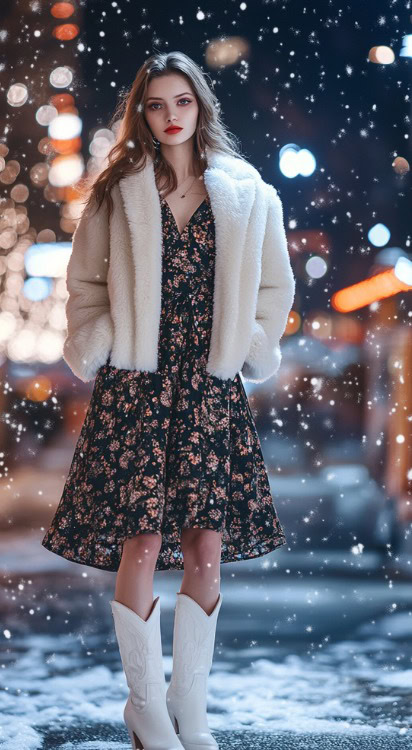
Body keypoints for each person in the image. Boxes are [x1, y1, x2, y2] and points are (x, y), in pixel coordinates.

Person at [42, 51, 296, 750]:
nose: (170, 116)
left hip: (210, 389)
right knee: (143, 540)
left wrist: (247, 340)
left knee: (206, 544)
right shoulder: (117, 192)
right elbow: (84, 286)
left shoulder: (248, 195)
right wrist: (104, 337)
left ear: (200, 105)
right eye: (155, 105)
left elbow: (276, 288)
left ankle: (191, 712)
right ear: (142, 115)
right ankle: (144, 708)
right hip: (138, 388)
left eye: (181, 101)